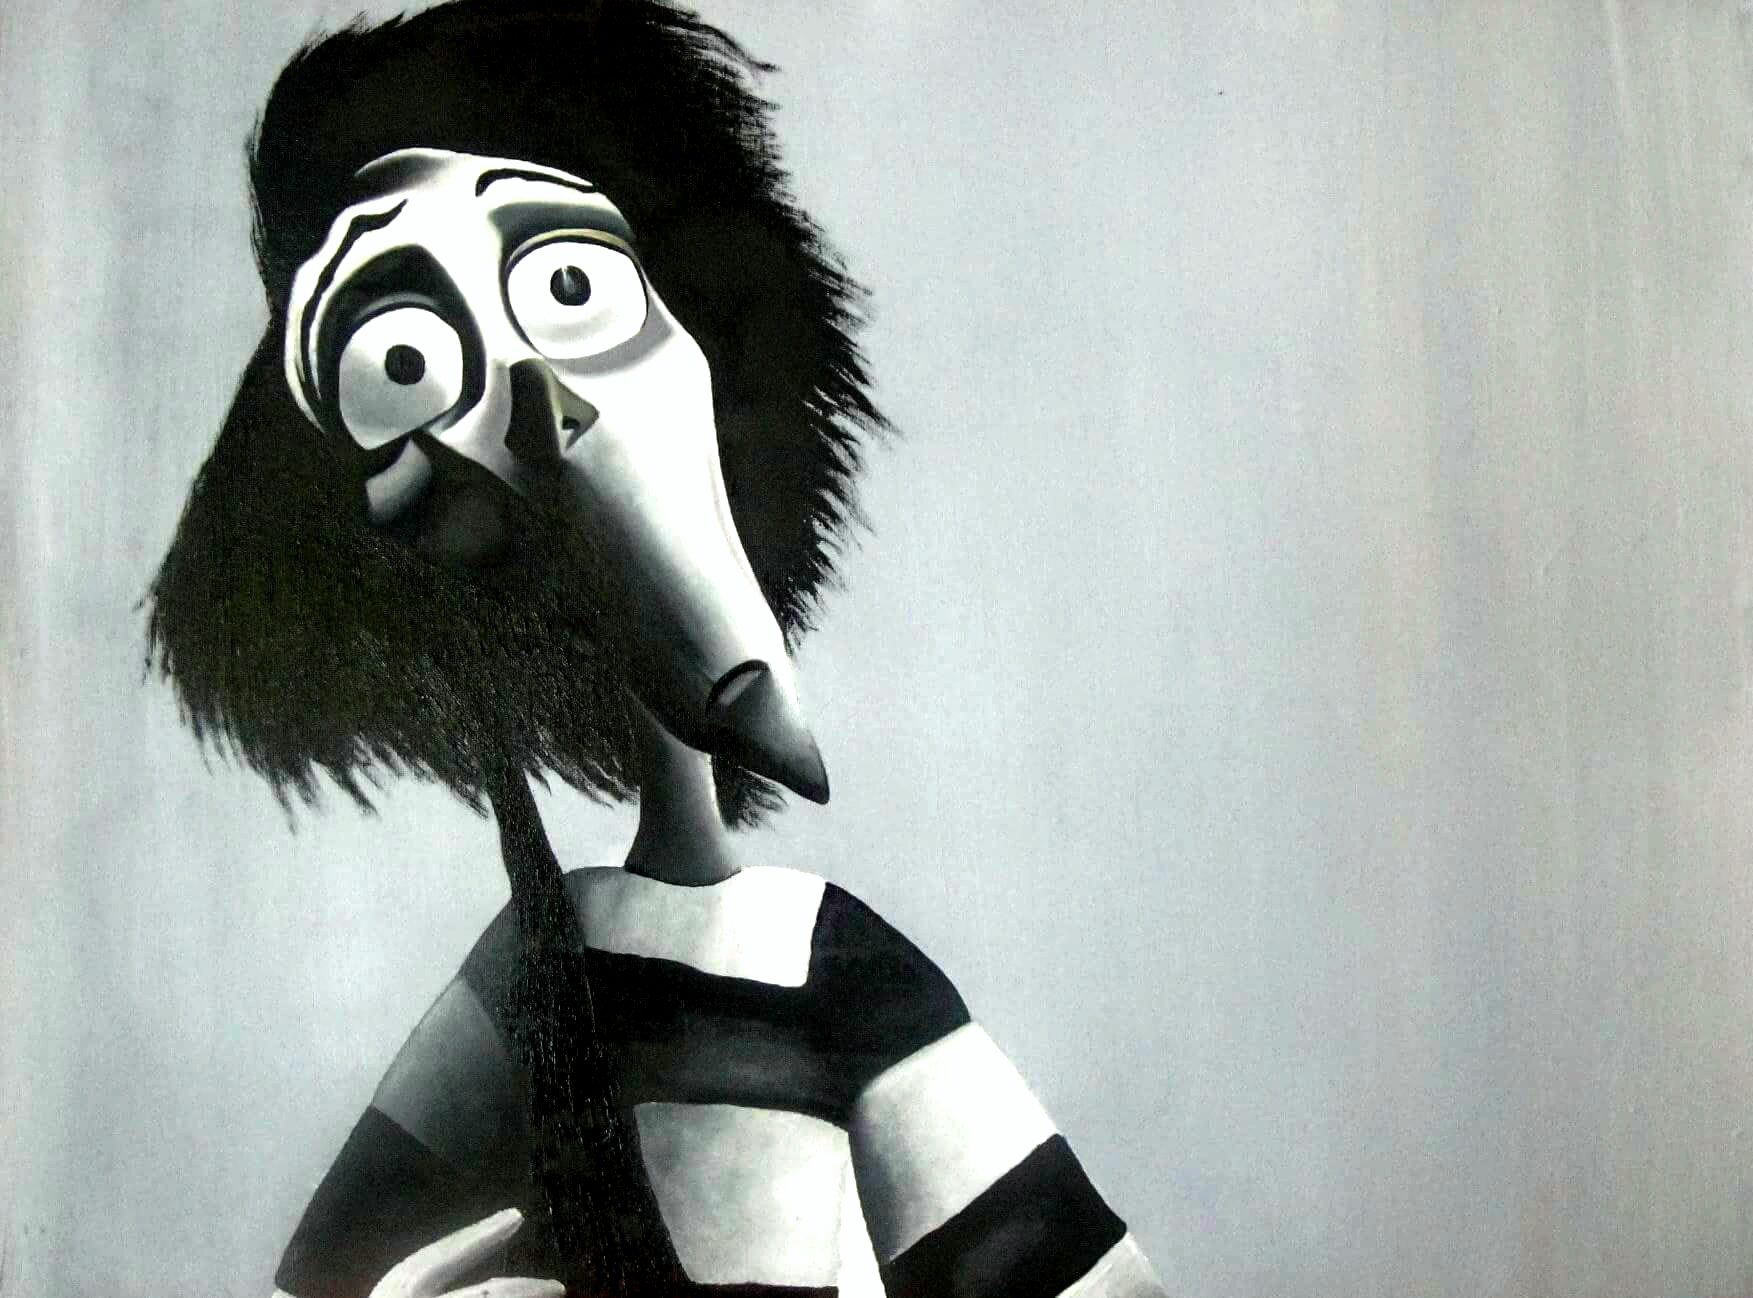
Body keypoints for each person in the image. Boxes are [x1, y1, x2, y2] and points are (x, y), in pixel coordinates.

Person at [148, 3, 1168, 1296]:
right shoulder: (540, 961)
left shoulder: (825, 962)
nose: (543, 412)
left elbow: (1079, 1277)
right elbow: (329, 1276)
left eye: (566, 289)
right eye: (406, 360)